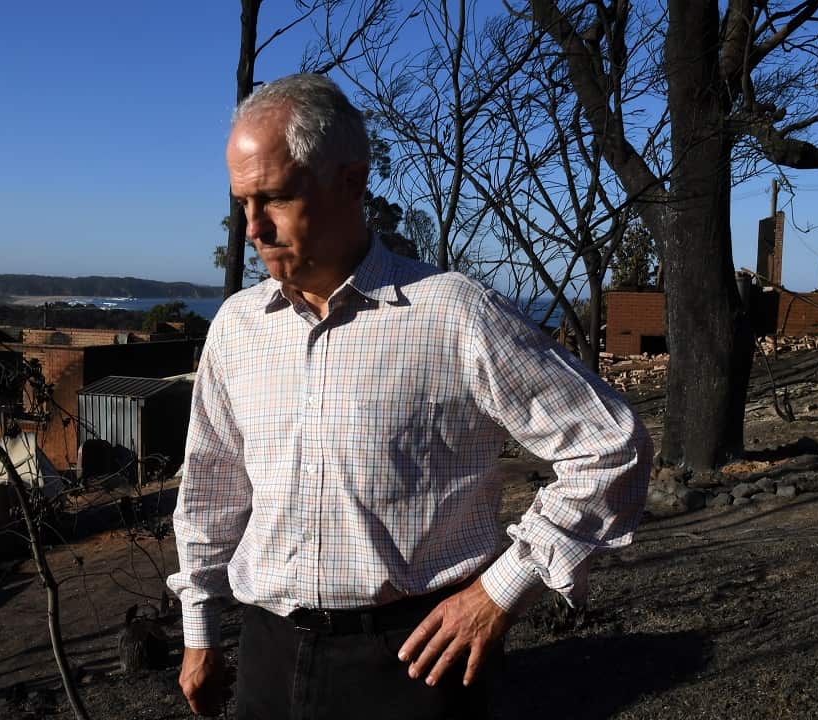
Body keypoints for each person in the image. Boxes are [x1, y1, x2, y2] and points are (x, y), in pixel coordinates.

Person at [167, 73, 652, 719]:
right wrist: (200, 631)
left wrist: (499, 593)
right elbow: (211, 488)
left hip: (417, 660)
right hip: (267, 653)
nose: (253, 227)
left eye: (276, 198)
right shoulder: (236, 327)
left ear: (351, 181)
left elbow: (610, 447)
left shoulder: (452, 314)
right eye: (242, 202)